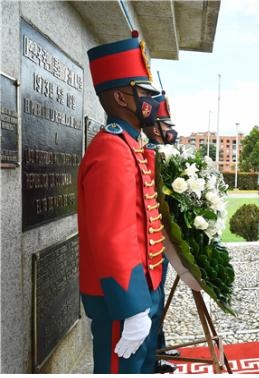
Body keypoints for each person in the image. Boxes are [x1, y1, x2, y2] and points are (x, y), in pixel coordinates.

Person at [79, 32, 165, 373]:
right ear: (121, 97)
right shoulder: (112, 151)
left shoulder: (129, 146)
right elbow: (112, 235)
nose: (152, 101)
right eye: (143, 93)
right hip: (123, 300)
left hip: (143, 291)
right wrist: (131, 308)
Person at [142, 93, 179, 374]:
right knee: (153, 301)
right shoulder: (153, 154)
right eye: (167, 126)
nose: (171, 131)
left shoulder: (159, 152)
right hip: (155, 241)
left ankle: (159, 348)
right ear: (156, 128)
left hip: (160, 239)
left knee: (158, 298)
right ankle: (153, 357)